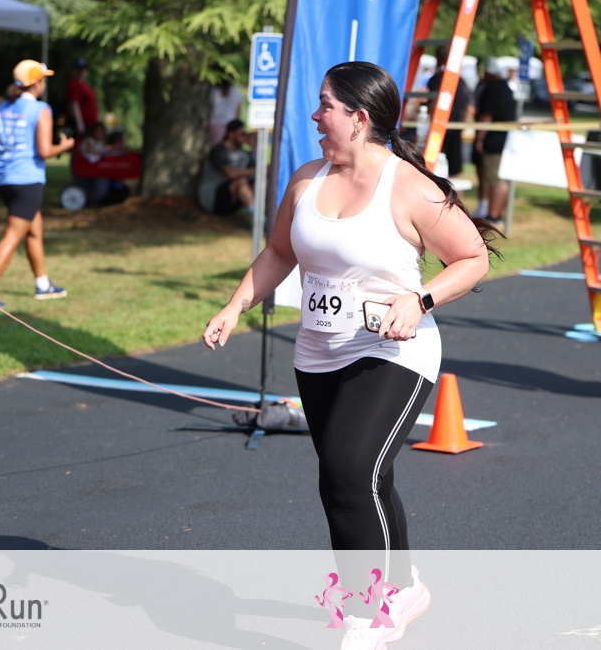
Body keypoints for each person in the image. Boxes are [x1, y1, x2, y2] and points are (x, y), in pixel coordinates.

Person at [201, 61, 501, 646]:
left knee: (346, 471)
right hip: (318, 354)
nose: (315, 116)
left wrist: (420, 299)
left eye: (326, 106)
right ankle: (404, 586)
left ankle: (369, 612)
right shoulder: (306, 180)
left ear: (359, 118)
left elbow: (473, 258)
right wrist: (235, 306)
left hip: (394, 352)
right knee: (363, 478)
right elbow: (278, 253)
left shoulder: (411, 188)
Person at [0, 60, 75, 309]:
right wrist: (65, 146)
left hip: (4, 180)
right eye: (43, 79)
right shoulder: (40, 109)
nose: (45, 84)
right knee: (13, 235)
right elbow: (44, 150)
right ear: (36, 83)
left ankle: (43, 285)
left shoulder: (2, 108)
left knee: (34, 229)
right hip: (27, 181)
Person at [473, 57, 517, 228]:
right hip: (505, 140)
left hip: (494, 141)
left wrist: (480, 138)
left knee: (495, 180)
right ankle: (495, 214)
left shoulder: (493, 89)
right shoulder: (505, 87)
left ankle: (493, 216)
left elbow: (487, 116)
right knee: (499, 180)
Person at [426, 45, 475, 177]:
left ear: (437, 58)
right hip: (454, 129)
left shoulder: (436, 79)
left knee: (432, 169)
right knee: (454, 173)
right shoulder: (460, 80)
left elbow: (433, 105)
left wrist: (430, 124)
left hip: (437, 130)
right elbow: (470, 108)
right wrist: (462, 127)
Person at [197, 119, 255, 215]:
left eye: (246, 134)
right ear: (231, 134)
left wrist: (255, 146)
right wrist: (256, 170)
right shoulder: (219, 150)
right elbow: (230, 174)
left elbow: (257, 171)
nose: (245, 136)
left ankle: (266, 212)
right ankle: (258, 216)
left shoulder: (244, 153)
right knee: (241, 181)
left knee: (263, 181)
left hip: (233, 198)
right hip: (214, 199)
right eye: (242, 134)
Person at [66, 58, 98, 137]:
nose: (81, 72)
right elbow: (74, 104)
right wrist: (79, 123)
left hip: (89, 124)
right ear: (74, 70)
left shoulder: (84, 84)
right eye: (78, 69)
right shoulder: (74, 84)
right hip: (81, 125)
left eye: (83, 69)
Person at [208, 79, 243, 147]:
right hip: (230, 123)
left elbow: (210, 105)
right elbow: (238, 109)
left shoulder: (215, 89)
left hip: (214, 122)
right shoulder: (236, 90)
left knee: (215, 147)